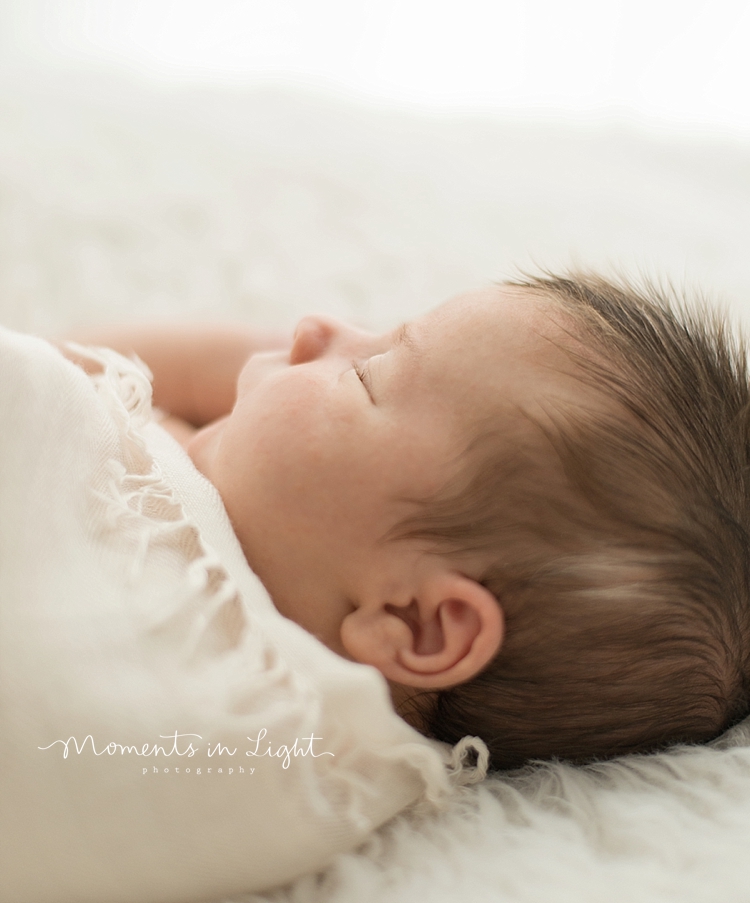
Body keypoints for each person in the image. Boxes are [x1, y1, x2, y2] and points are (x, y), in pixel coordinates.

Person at [63, 270, 750, 770]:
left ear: (419, 624)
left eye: (367, 375)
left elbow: (67, 366)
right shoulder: (211, 473)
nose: (313, 329)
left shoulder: (210, 715)